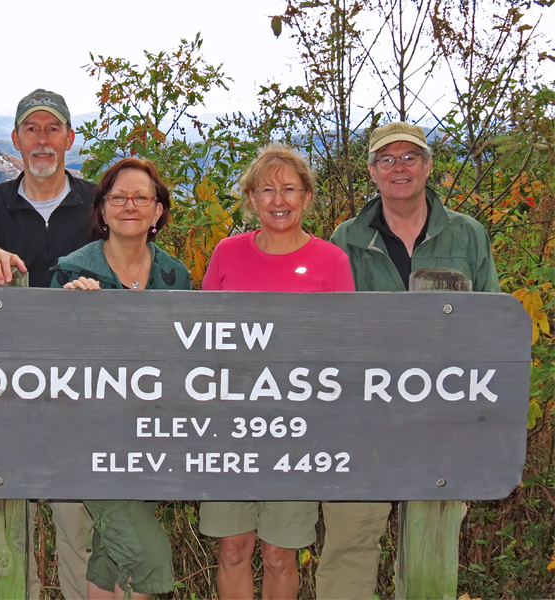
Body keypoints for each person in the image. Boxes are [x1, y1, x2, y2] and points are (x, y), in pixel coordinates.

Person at [324, 121, 500, 599]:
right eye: (387, 159)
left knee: (431, 546)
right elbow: (332, 331)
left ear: (427, 166)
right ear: (372, 172)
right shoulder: (347, 238)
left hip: (443, 423)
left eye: (409, 157)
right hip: (365, 422)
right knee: (350, 546)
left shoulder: (467, 235)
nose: (398, 168)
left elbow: (491, 328)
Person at [0, 89, 95, 599]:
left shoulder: (99, 203)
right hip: (9, 391)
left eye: (52, 129)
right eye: (32, 129)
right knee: (10, 528)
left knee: (79, 529)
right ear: (16, 140)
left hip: (82, 391)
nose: (42, 140)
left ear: (69, 139)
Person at [199, 144, 355, 600]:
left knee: (278, 554)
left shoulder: (331, 261)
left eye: (289, 189)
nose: (278, 200)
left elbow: (341, 350)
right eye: (266, 190)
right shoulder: (227, 254)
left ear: (307, 197)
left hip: (296, 431)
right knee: (232, 548)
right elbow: (203, 342)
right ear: (251, 198)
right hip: (226, 428)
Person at [51, 157, 190, 599]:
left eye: (142, 198)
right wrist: (69, 312)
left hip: (150, 439)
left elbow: (185, 359)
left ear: (158, 211)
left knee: (109, 556)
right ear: (103, 208)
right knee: (147, 555)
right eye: (118, 197)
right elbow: (48, 364)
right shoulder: (73, 272)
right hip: (89, 440)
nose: (129, 206)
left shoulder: (175, 276)